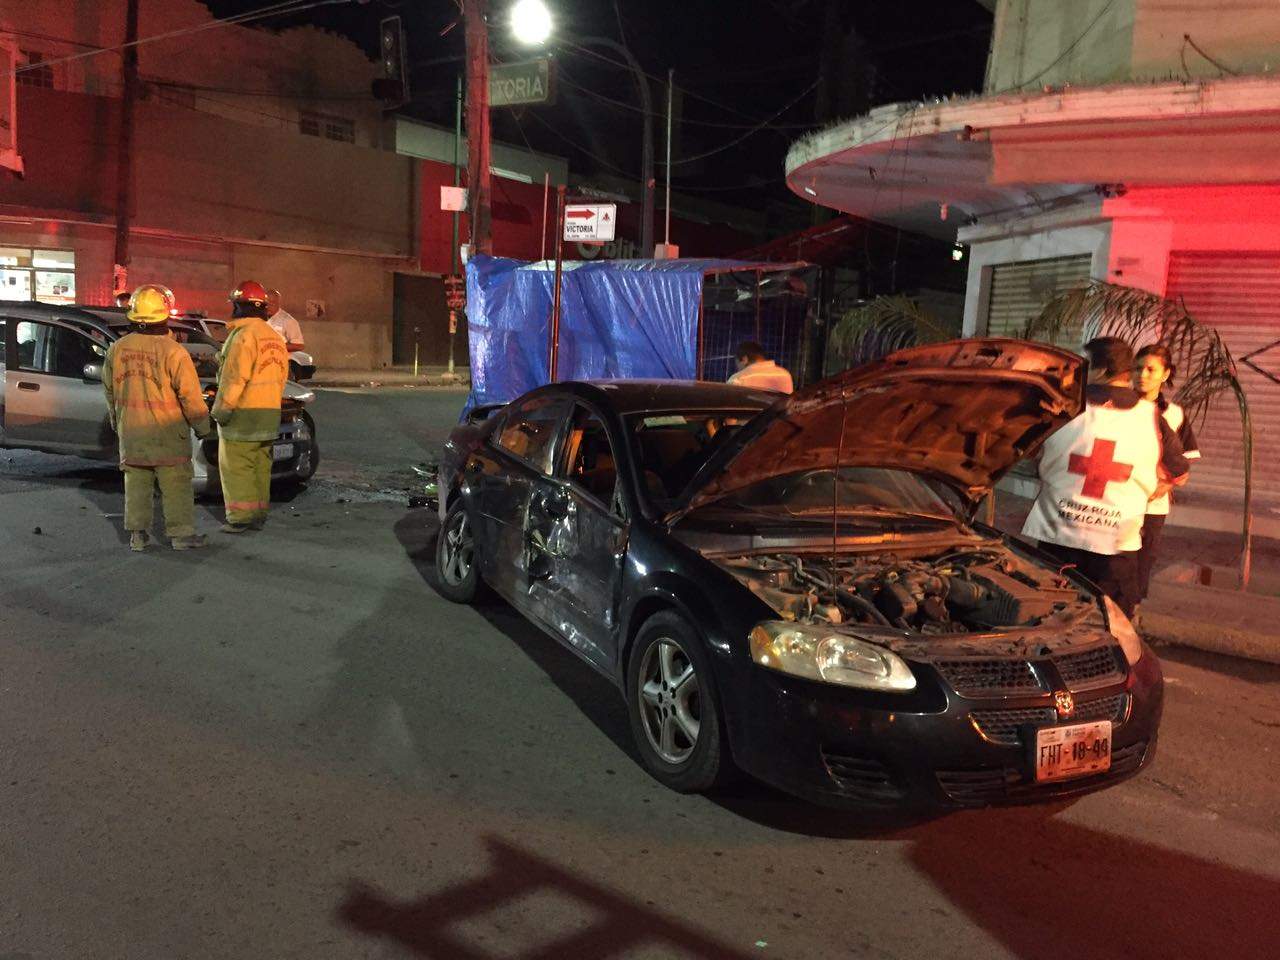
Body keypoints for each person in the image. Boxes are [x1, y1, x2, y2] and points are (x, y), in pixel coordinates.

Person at [1022, 337, 1189, 618]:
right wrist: (1153, 488)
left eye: (1083, 364)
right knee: (1111, 624)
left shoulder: (1060, 409)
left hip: (1058, 539)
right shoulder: (1152, 418)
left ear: (1099, 370)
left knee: (1048, 617)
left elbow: (1025, 452)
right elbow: (1180, 472)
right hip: (1115, 548)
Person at [102, 283, 212, 552]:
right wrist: (203, 427)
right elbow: (190, 397)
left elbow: (109, 390)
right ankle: (181, 536)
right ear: (164, 318)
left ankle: (138, 537)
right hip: (168, 435)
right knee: (176, 487)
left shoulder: (118, 349)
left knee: (136, 487)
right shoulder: (174, 352)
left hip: (132, 434)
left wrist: (117, 423)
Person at [212, 280, 288, 534]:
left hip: (243, 417)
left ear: (238, 306)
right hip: (269, 415)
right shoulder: (275, 337)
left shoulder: (242, 336)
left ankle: (240, 518)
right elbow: (281, 377)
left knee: (238, 468)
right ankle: (257, 514)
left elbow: (234, 379)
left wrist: (220, 412)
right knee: (260, 467)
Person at [1134, 343, 1201, 606]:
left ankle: (1132, 611)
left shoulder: (1174, 414)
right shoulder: (1117, 406)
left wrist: (1165, 486)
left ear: (1165, 374)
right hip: (1116, 499)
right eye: (1137, 368)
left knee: (1143, 560)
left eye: (1151, 369)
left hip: (1153, 505)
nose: (1142, 375)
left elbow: (1185, 460)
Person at [727, 341, 793, 393]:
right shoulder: (785, 374)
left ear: (744, 359)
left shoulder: (738, 379)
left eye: (737, 363)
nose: (738, 368)